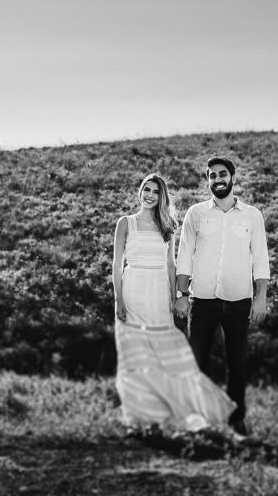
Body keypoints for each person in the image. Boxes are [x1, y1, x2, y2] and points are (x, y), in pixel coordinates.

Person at [112, 173, 235, 433]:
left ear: (161, 197)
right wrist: (118, 300)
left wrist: (176, 298)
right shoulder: (126, 223)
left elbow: (171, 265)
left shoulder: (167, 226)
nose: (149, 195)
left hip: (158, 291)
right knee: (135, 353)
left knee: (161, 353)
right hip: (133, 288)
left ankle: (171, 412)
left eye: (155, 192)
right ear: (140, 191)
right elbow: (116, 264)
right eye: (146, 189)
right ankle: (140, 418)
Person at [175, 156, 270, 437]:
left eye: (222, 174)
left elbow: (261, 259)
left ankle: (236, 420)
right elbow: (184, 256)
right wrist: (182, 294)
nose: (217, 179)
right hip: (202, 300)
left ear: (232, 177)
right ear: (208, 180)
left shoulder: (252, 215)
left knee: (237, 362)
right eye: (212, 175)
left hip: (239, 299)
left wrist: (260, 297)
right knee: (197, 361)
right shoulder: (196, 213)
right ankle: (195, 420)